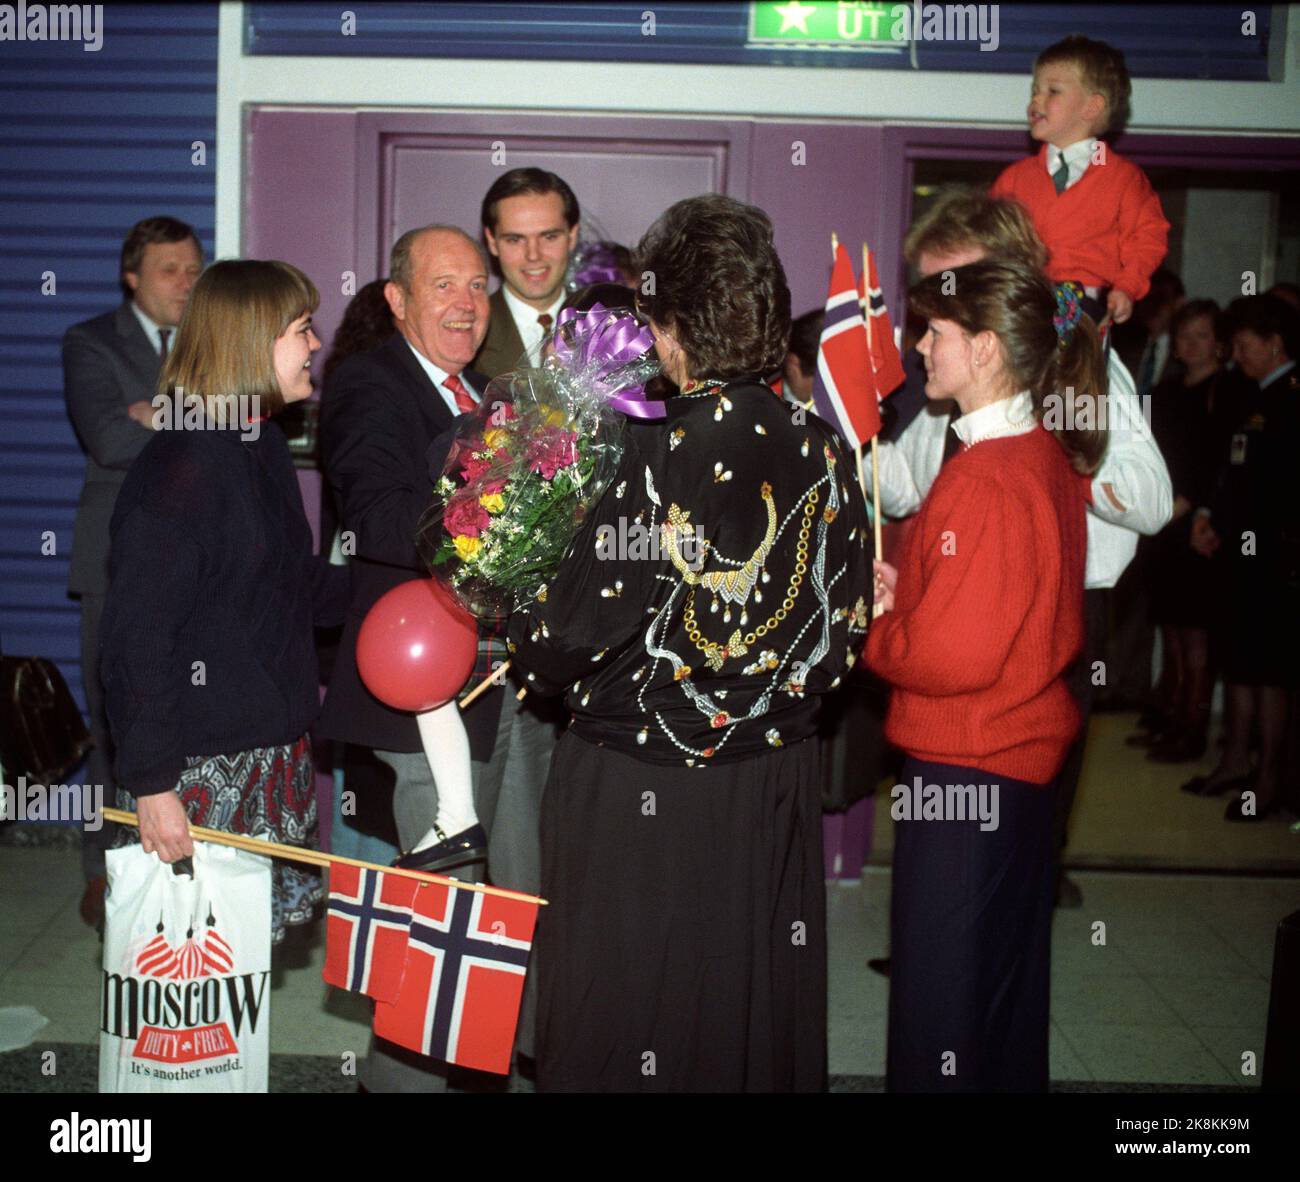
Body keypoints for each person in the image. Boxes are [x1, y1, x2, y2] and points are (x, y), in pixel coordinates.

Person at [507, 194, 871, 1092]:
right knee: (744, 1006)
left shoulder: (649, 447)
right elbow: (844, 632)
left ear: (670, 329)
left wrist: (520, 614)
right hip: (771, 780)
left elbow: (567, 635)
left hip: (641, 783)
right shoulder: (827, 447)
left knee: (622, 1006)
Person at [874, 188, 1172, 911]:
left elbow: (1154, 501)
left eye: (957, 285)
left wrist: (1051, 446)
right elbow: (904, 487)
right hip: (961, 616)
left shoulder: (1078, 364)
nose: (940, 310)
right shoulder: (950, 380)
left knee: (1010, 850)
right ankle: (950, 945)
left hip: (1055, 620)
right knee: (955, 851)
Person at [318, 224, 557, 1092]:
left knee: (518, 908)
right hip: (425, 704)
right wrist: (491, 503)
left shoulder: (486, 390)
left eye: (477, 287)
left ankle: (514, 1069)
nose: (466, 302)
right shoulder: (367, 384)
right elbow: (379, 516)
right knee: (439, 916)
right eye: (444, 285)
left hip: (511, 692)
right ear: (398, 300)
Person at [867, 260, 1106, 1092]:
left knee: (942, 1008)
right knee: (997, 998)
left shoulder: (989, 475)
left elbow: (954, 660)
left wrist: (881, 629)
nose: (920, 345)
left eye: (937, 332)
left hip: (969, 770)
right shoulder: (1032, 453)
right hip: (1013, 769)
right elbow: (999, 610)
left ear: (990, 349)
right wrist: (916, 594)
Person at [100, 259, 347, 945]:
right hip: (202, 774)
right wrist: (152, 786)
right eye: (301, 329)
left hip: (267, 756)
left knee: (243, 994)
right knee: (191, 1000)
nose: (315, 344)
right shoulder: (180, 468)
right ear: (250, 340)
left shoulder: (256, 438)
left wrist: (398, 593)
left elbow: (287, 580)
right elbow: (136, 639)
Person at [62, 215, 202, 930]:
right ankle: (101, 866)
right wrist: (184, 413)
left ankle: (176, 859)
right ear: (132, 276)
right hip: (114, 562)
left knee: (184, 712)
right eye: (168, 269)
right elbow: (111, 438)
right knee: (114, 720)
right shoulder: (90, 341)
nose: (185, 281)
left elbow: (235, 423)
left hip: (196, 560)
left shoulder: (208, 341)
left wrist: (157, 412)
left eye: (191, 268)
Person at [1186, 294, 1300, 821]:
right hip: (1239, 551)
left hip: (1276, 558)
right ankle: (1235, 761)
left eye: (1245, 345)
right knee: (1238, 660)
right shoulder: (1252, 396)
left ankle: (1270, 778)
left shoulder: (1292, 398)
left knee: (1268, 671)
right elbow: (1230, 471)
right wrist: (1211, 517)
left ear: (1275, 344)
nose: (1237, 353)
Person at [1130, 301, 1251, 763]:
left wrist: (1194, 507)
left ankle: (1193, 728)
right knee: (1173, 632)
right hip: (1163, 522)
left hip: (1198, 522)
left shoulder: (1228, 389)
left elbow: (1222, 462)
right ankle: (1172, 717)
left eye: (1202, 335)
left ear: (1218, 342)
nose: (1191, 344)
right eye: (1184, 335)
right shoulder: (1168, 389)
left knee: (1197, 638)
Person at [991, 34, 1168, 328]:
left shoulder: (1121, 177)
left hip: (1082, 304)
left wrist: (1127, 286)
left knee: (1069, 362)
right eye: (1034, 90)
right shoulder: (1015, 177)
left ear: (1091, 107)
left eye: (1053, 91)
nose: (1036, 100)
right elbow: (987, 240)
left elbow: (1147, 236)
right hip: (1020, 300)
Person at [473, 168, 580, 379]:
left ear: (572, 235)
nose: (533, 255)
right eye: (515, 239)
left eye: (549, 237)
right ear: (492, 241)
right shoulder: (467, 331)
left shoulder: (607, 329)